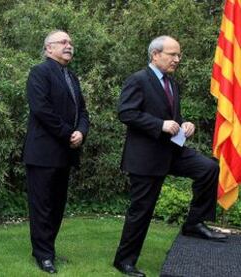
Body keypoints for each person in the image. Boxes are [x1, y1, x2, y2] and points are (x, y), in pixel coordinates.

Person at [113, 35, 227, 277]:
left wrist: (185, 124)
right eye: (172, 54)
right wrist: (159, 124)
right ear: (155, 55)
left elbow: (172, 117)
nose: (177, 59)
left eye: (179, 55)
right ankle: (124, 261)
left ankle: (194, 223)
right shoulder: (138, 80)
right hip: (146, 158)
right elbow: (125, 112)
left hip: (172, 151)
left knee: (208, 168)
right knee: (141, 210)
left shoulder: (171, 83)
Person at [22, 30, 90, 274]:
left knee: (58, 205)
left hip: (65, 153)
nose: (69, 45)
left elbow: (82, 111)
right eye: (63, 42)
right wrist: (67, 133)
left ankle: (48, 248)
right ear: (49, 48)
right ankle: (43, 255)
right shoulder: (39, 72)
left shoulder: (71, 76)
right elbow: (42, 109)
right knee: (42, 206)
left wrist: (81, 132)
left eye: (70, 42)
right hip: (42, 153)